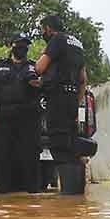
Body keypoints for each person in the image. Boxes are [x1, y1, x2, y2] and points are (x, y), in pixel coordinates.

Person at [0, 32, 40, 193]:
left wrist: (38, 84)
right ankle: (2, 197)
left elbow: (44, 90)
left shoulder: (34, 67)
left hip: (29, 118)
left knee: (30, 156)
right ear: (11, 46)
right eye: (19, 44)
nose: (23, 48)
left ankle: (32, 196)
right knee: (3, 155)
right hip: (5, 117)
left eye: (25, 45)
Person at [32, 15, 87, 163]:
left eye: (42, 30)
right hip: (72, 100)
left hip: (57, 99)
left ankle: (67, 183)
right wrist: (77, 101)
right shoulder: (77, 44)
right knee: (71, 142)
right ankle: (75, 183)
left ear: (48, 29)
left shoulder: (57, 40)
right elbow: (82, 79)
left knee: (58, 143)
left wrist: (43, 54)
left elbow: (39, 68)